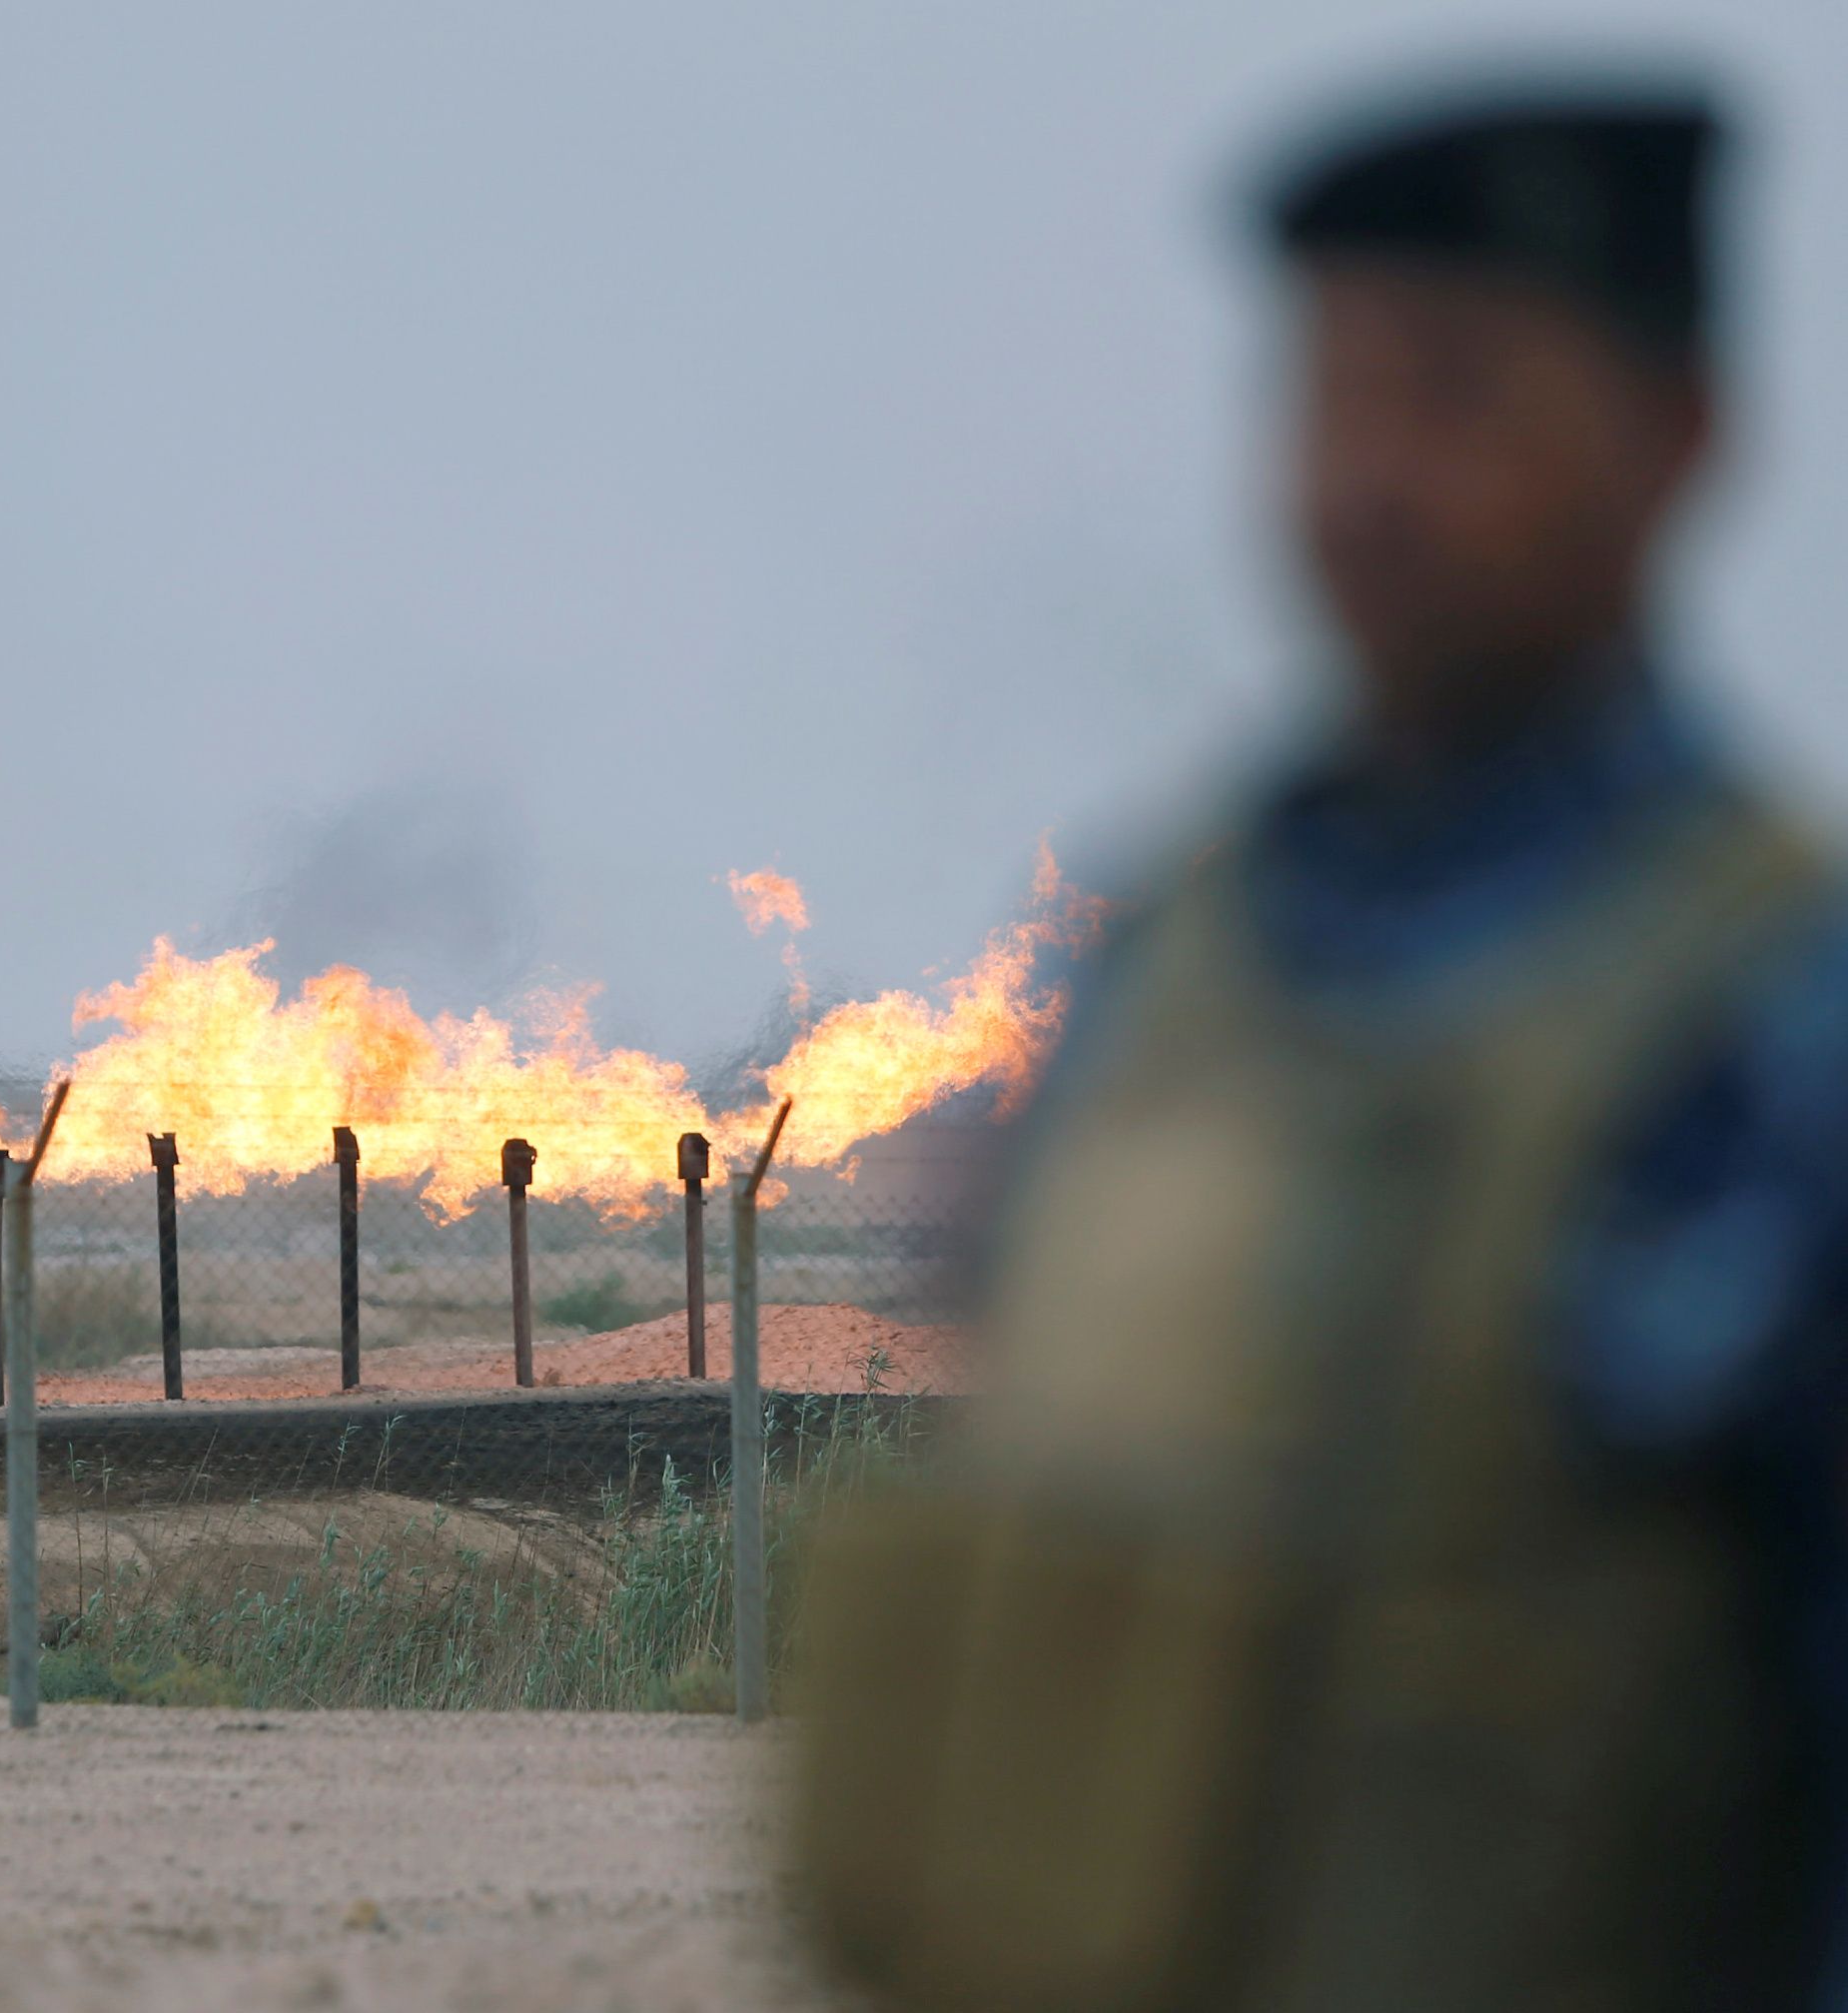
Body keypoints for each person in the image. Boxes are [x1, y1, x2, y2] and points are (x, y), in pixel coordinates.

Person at [791, 73, 1848, 2013]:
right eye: (1323, 398)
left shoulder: (1767, 1032)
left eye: (1450, 392)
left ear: (1674, 438)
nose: (1361, 479)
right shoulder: (1156, 974)